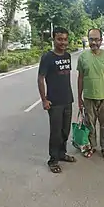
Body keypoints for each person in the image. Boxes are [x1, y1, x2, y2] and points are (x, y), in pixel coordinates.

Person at [38, 27, 76, 173]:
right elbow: (40, 78)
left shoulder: (67, 55)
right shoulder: (47, 57)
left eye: (65, 39)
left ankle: (61, 153)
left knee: (65, 130)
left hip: (67, 99)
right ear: (53, 39)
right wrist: (44, 99)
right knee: (55, 132)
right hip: (54, 102)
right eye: (59, 39)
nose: (63, 42)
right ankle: (53, 160)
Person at [77, 28, 104, 159]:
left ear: (101, 40)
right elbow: (80, 77)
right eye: (91, 39)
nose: (94, 42)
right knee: (90, 124)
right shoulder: (83, 57)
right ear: (88, 40)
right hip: (88, 97)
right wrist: (79, 98)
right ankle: (92, 146)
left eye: (97, 39)